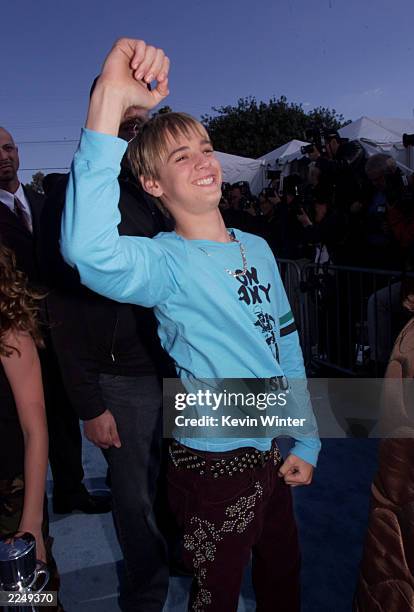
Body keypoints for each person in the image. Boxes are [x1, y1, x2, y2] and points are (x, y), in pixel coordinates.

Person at [61, 38, 321, 611]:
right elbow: (87, 252)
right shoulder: (164, 261)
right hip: (211, 463)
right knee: (217, 593)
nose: (203, 160)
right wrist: (108, 100)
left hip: (272, 448)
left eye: (204, 147)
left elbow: (286, 344)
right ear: (153, 185)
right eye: (181, 157)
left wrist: (305, 435)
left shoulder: (257, 246)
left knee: (284, 576)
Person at [38, 99, 174, 611]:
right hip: (121, 380)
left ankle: (180, 557)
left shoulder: (154, 187)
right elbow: (60, 304)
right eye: (126, 113)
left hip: (177, 366)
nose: (137, 125)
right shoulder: (71, 195)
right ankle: (147, 594)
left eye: (145, 117)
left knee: (174, 481)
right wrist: (88, 404)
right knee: (135, 499)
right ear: (101, 109)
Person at [0, 125, 111, 517]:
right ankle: (23, 504)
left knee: (63, 409)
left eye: (10, 147)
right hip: (11, 333)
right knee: (20, 418)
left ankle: (70, 489)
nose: (5, 156)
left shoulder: (43, 202)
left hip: (57, 326)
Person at [0, 244, 64, 611]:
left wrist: (32, 524)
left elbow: (35, 429)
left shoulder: (8, 329)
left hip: (11, 498)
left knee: (29, 602)